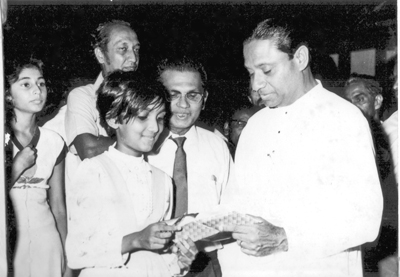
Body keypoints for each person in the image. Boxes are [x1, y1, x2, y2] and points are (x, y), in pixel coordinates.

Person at [219, 18, 383, 277]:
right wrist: (202, 233)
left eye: (267, 70)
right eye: (252, 73)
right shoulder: (255, 126)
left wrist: (285, 238)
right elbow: (234, 205)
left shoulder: (343, 119)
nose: (255, 85)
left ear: (300, 58)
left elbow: (365, 220)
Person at [66, 71, 198, 276]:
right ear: (113, 119)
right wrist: (135, 240)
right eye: (143, 117)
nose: (154, 128)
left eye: (161, 118)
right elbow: (76, 253)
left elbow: (160, 256)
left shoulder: (163, 180)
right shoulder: (94, 171)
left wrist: (180, 254)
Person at [147, 57, 234, 277]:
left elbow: (233, 211)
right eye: (173, 95)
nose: (183, 105)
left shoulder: (218, 147)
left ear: (204, 99)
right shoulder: (142, 144)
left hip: (204, 264)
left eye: (192, 95)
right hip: (150, 263)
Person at [5, 58, 72, 277]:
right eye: (26, 84)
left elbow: (59, 207)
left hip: (47, 243)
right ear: (7, 94)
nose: (37, 90)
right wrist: (15, 167)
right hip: (9, 244)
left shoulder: (54, 142)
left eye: (41, 83)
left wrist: (68, 262)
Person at [64, 20, 140, 188]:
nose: (133, 58)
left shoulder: (144, 98)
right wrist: (141, 141)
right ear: (100, 55)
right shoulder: (83, 96)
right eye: (123, 49)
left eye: (136, 49)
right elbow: (88, 148)